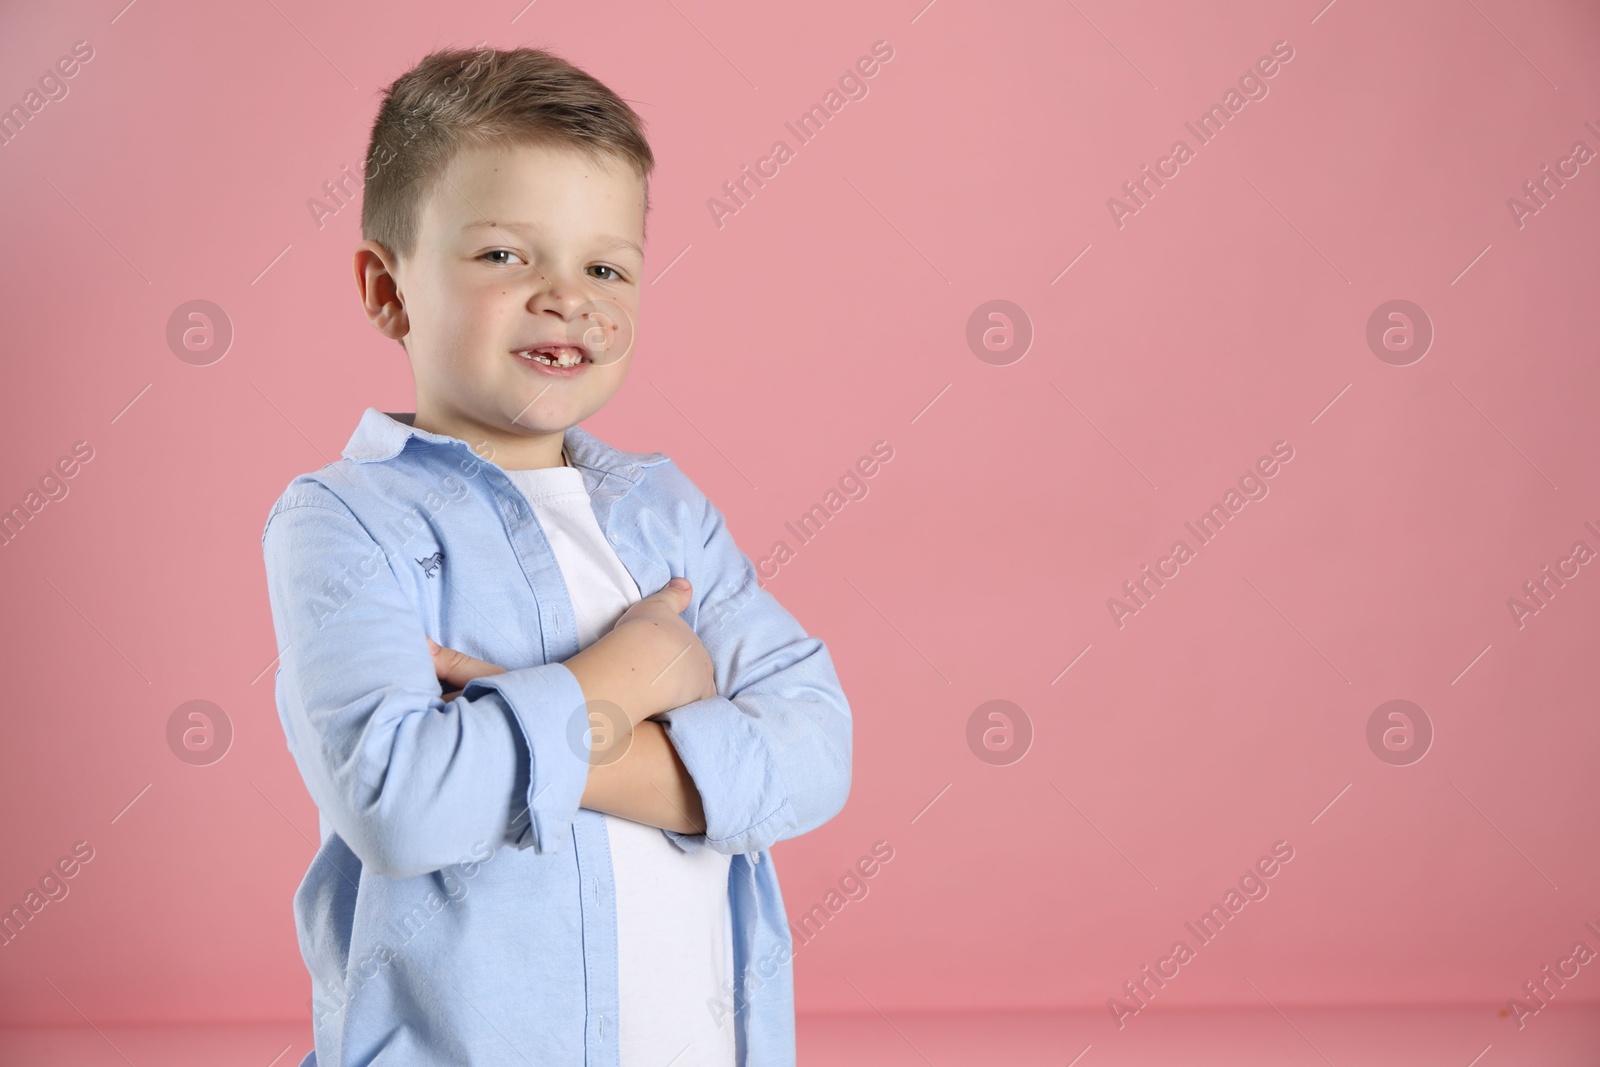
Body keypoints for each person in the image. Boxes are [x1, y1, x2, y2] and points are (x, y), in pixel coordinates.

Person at [259, 43, 852, 1067]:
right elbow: (401, 806)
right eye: (503, 254)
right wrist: (620, 681)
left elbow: (813, 751)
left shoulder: (664, 511)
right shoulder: (348, 521)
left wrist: (541, 720)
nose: (566, 295)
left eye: (605, 265)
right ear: (387, 287)